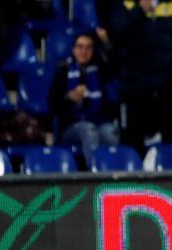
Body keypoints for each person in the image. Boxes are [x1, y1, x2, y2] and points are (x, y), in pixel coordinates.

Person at [108, 0, 172, 150]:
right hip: (134, 87)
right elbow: (117, 32)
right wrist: (140, 10)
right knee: (132, 143)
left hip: (167, 87)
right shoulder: (125, 5)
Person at [48, 33, 119, 164]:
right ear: (74, 49)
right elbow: (52, 104)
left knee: (110, 132)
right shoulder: (63, 70)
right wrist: (68, 98)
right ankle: (95, 174)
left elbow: (112, 94)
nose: (83, 51)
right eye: (80, 47)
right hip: (71, 127)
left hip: (99, 122)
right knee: (88, 130)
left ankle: (112, 173)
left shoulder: (100, 69)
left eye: (88, 48)